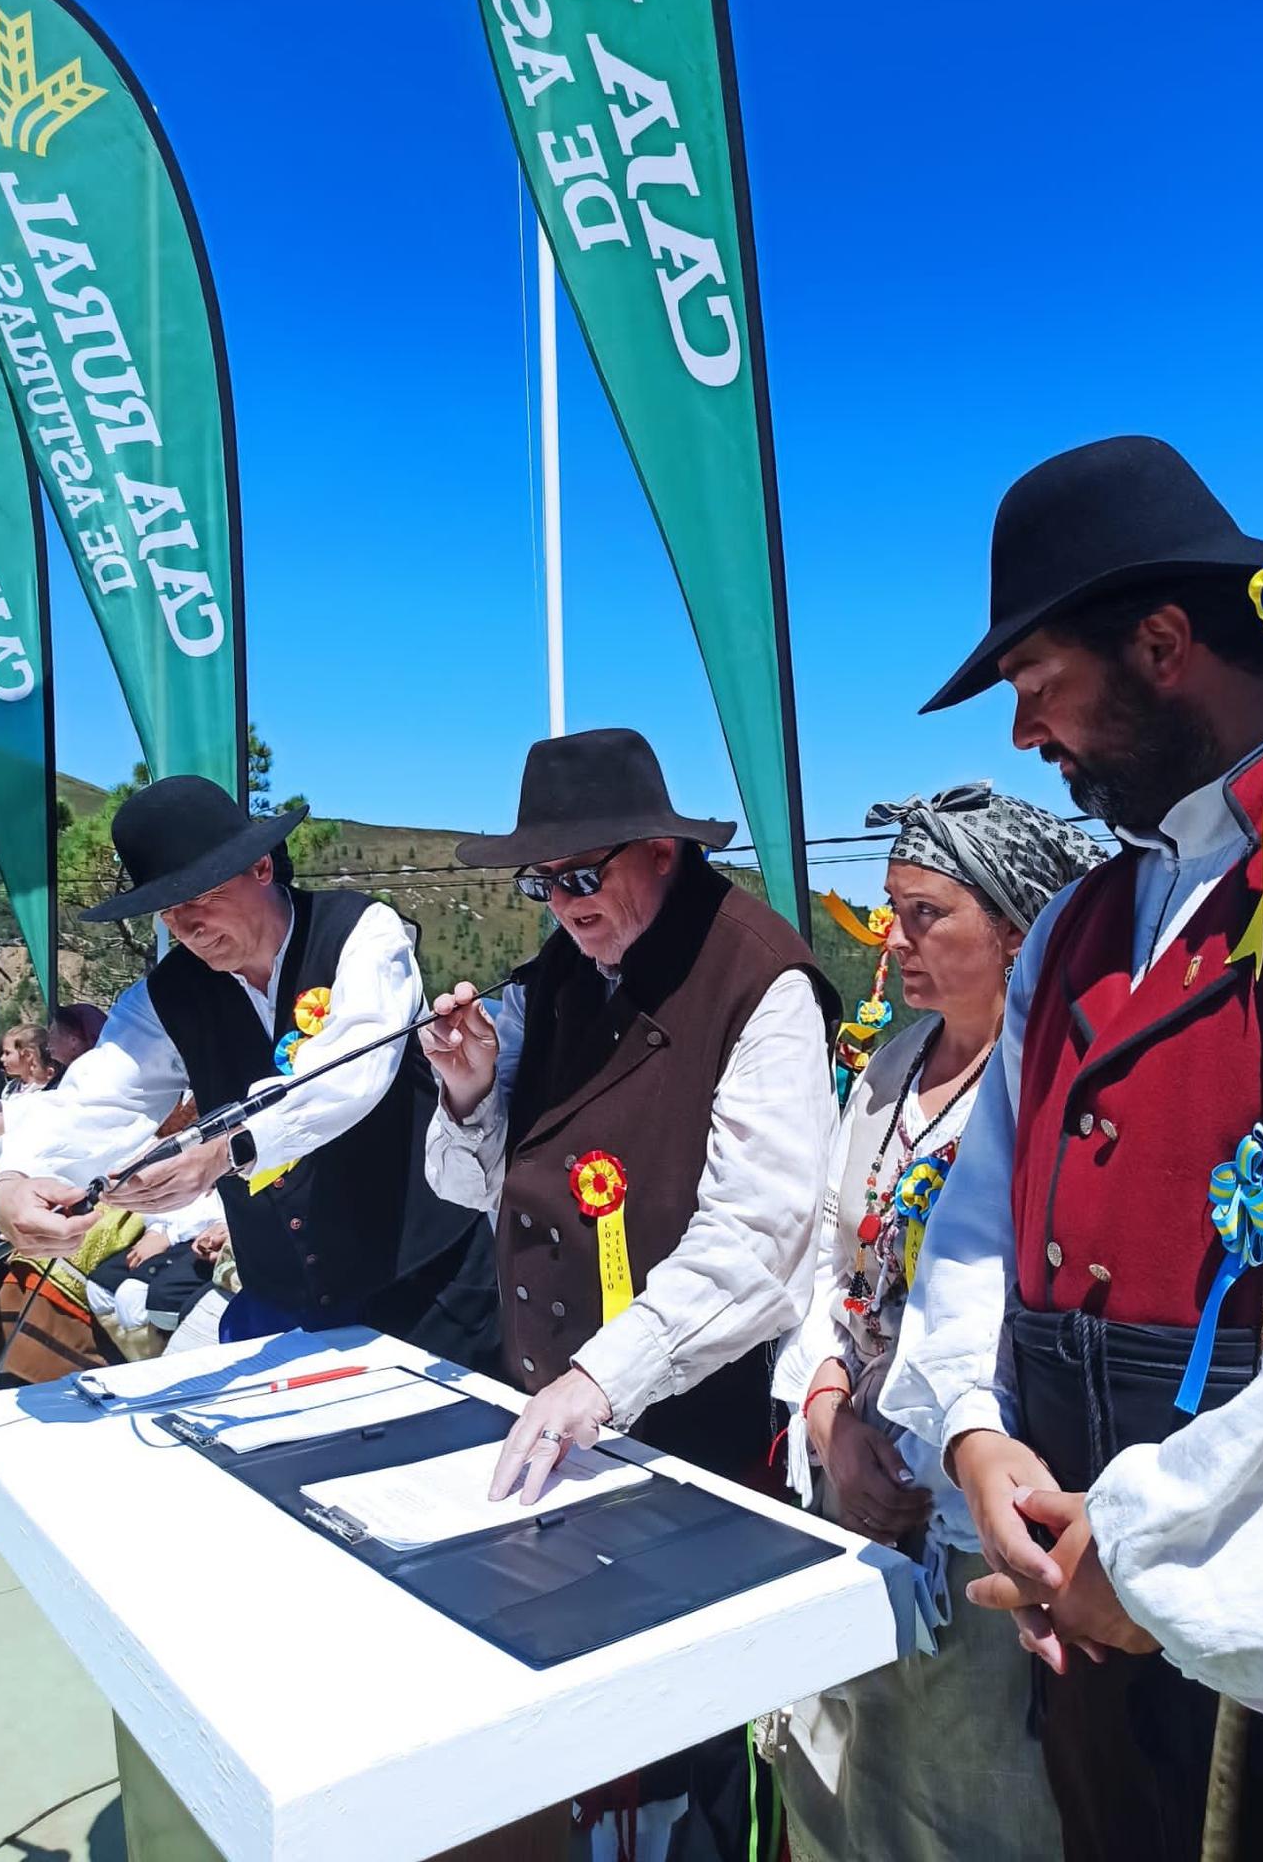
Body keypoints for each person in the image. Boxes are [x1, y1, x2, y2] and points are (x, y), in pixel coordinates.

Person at [880, 436, 1263, 1859]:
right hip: (1082, 1608)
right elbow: (981, 1216)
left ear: (1162, 643)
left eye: (1035, 686)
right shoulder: (1076, 922)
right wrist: (973, 1427)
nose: (1022, 740)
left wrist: (1158, 1561)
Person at [424, 726, 840, 1861]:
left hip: (680, 1424)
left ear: (660, 849)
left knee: (683, 1745)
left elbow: (760, 1240)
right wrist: (467, 1096)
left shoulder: (761, 982)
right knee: (577, 1735)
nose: (560, 901)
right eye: (540, 879)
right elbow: (480, 1187)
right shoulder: (558, 977)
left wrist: (601, 1377)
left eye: (581, 872)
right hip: (564, 1415)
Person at [771, 783, 1098, 1862]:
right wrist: (826, 1411)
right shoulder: (889, 1067)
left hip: (955, 1508)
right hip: (842, 1485)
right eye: (887, 912)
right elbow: (828, 1261)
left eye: (926, 914)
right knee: (824, 1764)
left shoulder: (1050, 1084)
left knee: (953, 1800)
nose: (894, 940)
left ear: (1014, 928)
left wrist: (909, 1445)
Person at [0, 776, 500, 1366]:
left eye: (199, 897)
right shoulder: (167, 995)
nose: (184, 926)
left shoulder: (361, 933)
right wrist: (14, 1181)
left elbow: (349, 1070)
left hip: (426, 1291)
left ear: (260, 868)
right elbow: (97, 1098)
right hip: (285, 1302)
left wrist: (225, 1149)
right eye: (166, 911)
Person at [0, 1025, 56, 1094]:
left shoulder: (45, 1090)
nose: (2, 1058)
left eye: (7, 1053)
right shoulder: (10, 1087)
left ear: (28, 1055)